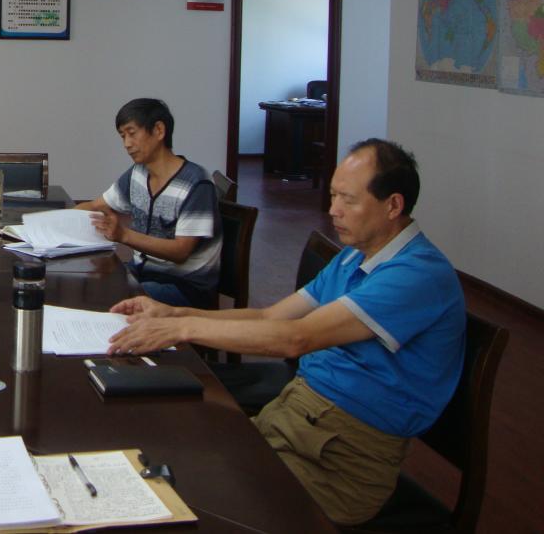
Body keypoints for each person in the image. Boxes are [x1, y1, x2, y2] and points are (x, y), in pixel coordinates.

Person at [106, 138, 466, 526]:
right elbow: (271, 317)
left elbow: (297, 338)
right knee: (168, 457)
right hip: (295, 416)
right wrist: (175, 312)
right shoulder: (355, 257)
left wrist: (180, 328)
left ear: (393, 205)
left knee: (196, 495)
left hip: (341, 457)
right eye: (333, 196)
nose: (333, 210)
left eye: (347, 200)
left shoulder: (417, 275)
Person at [76, 98, 221, 307]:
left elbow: (181, 251)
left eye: (132, 133)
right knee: (88, 286)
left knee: (109, 299)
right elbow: (96, 205)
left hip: (185, 286)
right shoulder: (138, 174)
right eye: (123, 136)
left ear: (159, 130)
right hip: (143, 273)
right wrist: (50, 223)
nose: (127, 144)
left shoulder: (196, 183)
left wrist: (124, 235)